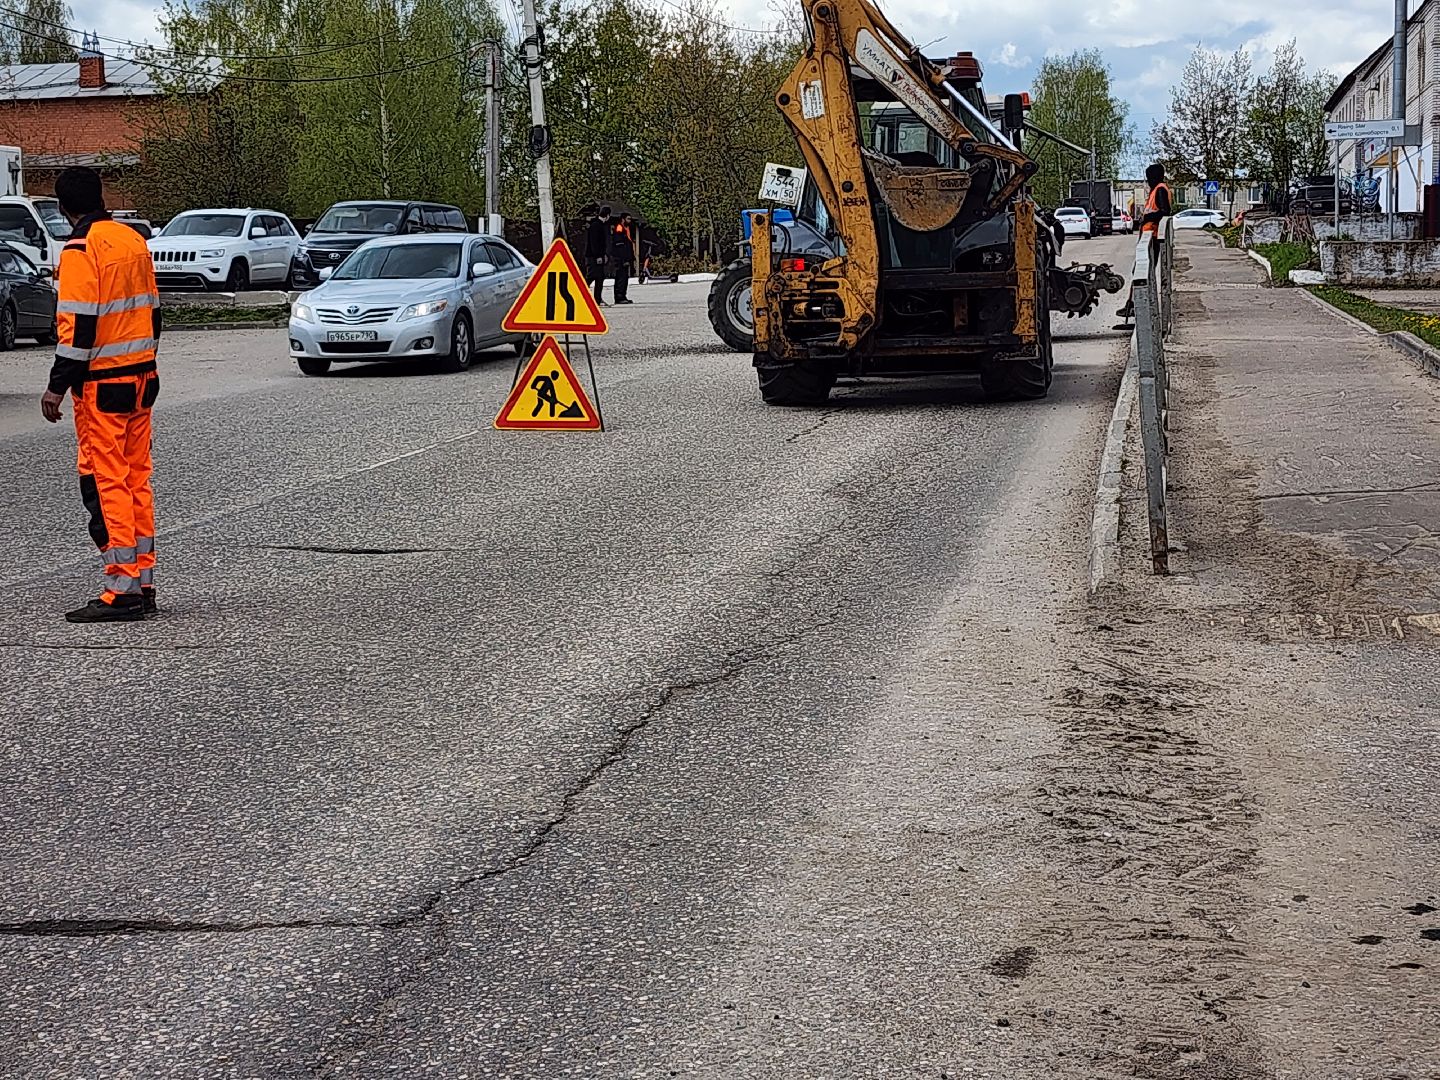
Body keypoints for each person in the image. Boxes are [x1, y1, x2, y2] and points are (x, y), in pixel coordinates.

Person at [40, 166, 162, 623]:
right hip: (142, 378)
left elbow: (77, 327)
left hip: (102, 386)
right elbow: (153, 313)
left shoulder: (80, 249)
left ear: (63, 208)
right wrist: (145, 362)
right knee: (136, 479)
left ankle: (121, 590)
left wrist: (56, 386)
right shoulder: (132, 240)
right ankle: (143, 582)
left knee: (105, 481)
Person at [1116, 163, 1172, 322]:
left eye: (1149, 178)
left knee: (1142, 272)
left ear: (1155, 177)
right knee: (1139, 270)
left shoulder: (1160, 190)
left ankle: (1138, 306)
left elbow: (1164, 212)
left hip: (1152, 237)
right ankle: (1133, 304)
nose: (1148, 181)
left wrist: (1147, 218)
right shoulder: (1156, 190)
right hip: (1148, 237)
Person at [584, 204, 610, 305]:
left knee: (600, 278)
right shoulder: (596, 225)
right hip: (593, 257)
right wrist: (598, 256)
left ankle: (597, 299)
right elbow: (594, 242)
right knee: (591, 276)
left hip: (598, 256)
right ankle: (580, 293)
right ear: (607, 215)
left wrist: (604, 254)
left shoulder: (599, 225)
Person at [609, 212, 635, 305]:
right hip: (620, 259)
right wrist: (624, 259)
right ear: (623, 219)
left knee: (625, 278)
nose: (630, 221)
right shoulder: (619, 228)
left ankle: (623, 296)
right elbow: (619, 245)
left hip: (626, 258)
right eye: (628, 219)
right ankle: (619, 297)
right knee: (620, 278)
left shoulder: (627, 228)